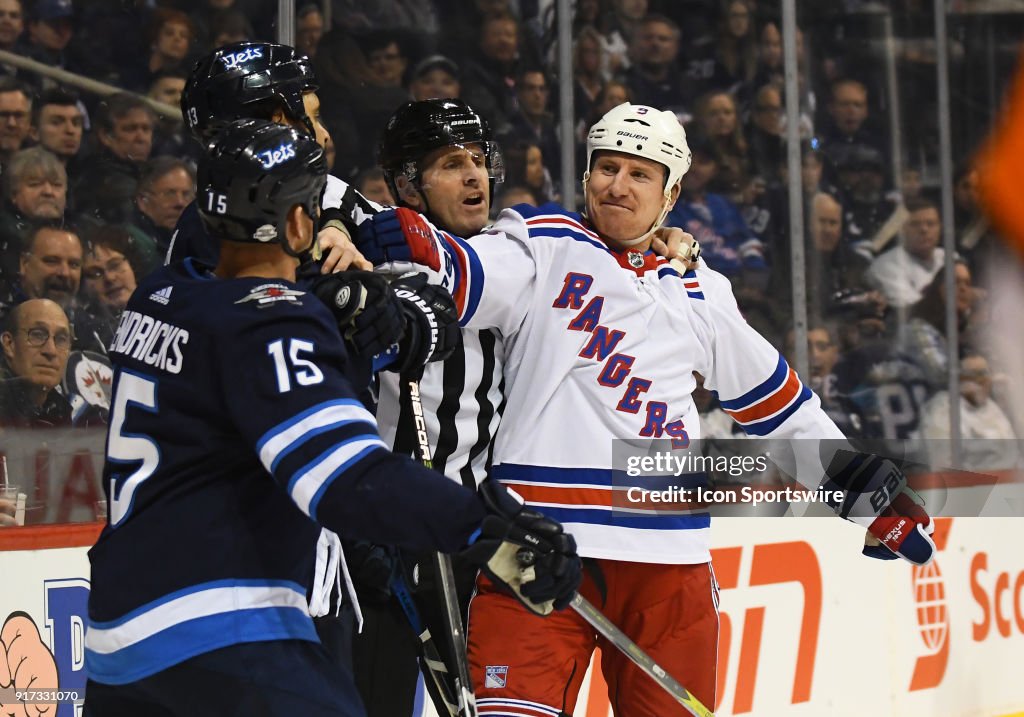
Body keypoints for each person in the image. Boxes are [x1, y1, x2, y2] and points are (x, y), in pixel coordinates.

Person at [357, 101, 937, 715]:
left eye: (640, 174)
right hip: (538, 550)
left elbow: (778, 405)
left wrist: (861, 489)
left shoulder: (701, 288)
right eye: (606, 168)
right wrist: (414, 239)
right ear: (586, 176)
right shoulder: (541, 244)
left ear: (671, 191)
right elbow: (465, 273)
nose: (617, 185)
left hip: (670, 565)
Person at [82, 118, 581, 717]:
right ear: (298, 222)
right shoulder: (271, 321)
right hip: (222, 629)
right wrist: (484, 528)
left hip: (116, 639)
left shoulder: (158, 296)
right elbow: (343, 477)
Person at [0, 297, 72, 426]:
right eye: (37, 335)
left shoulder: (66, 415)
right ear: (9, 344)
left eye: (61, 339)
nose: (51, 351)